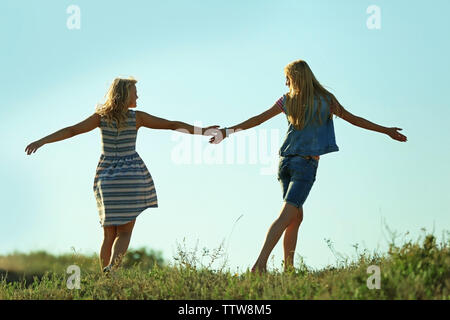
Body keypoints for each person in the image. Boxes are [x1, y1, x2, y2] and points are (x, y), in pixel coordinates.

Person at [209, 60, 408, 273]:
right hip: (305, 165)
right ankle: (260, 265)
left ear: (296, 78)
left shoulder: (287, 101)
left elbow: (257, 120)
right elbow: (354, 120)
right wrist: (385, 130)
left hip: (285, 163)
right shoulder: (326, 100)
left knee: (296, 217)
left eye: (288, 78)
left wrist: (226, 132)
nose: (286, 83)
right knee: (287, 215)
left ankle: (290, 270)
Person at [25, 77, 219, 273]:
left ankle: (105, 276)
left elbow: (71, 130)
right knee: (125, 233)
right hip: (130, 178)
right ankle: (113, 268)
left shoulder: (100, 118)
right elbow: (171, 124)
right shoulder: (137, 118)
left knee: (108, 235)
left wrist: (41, 142)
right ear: (126, 96)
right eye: (135, 92)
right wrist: (202, 131)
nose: (138, 96)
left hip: (107, 179)